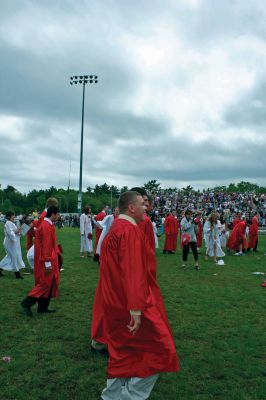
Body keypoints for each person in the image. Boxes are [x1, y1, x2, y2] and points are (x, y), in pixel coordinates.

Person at [97, 191, 179, 400]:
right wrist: (136, 309)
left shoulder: (115, 229)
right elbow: (133, 272)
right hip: (132, 304)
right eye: (143, 204)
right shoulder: (129, 231)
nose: (147, 207)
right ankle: (130, 396)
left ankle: (111, 395)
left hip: (114, 302)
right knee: (161, 348)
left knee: (121, 352)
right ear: (131, 208)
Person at [21, 206, 60, 316]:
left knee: (50, 283)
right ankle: (26, 303)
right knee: (44, 284)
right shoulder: (46, 226)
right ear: (53, 214)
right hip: (45, 260)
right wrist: (47, 263)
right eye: (57, 214)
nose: (58, 217)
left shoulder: (48, 225)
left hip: (47, 259)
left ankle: (43, 307)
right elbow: (46, 247)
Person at [0, 211, 25, 279]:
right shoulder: (8, 223)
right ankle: (17, 274)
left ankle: (0, 269)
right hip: (9, 243)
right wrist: (18, 230)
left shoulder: (11, 223)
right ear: (9, 217)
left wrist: (20, 231)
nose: (14, 217)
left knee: (9, 257)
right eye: (13, 216)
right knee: (14, 257)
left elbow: (15, 231)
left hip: (12, 243)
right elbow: (10, 233)